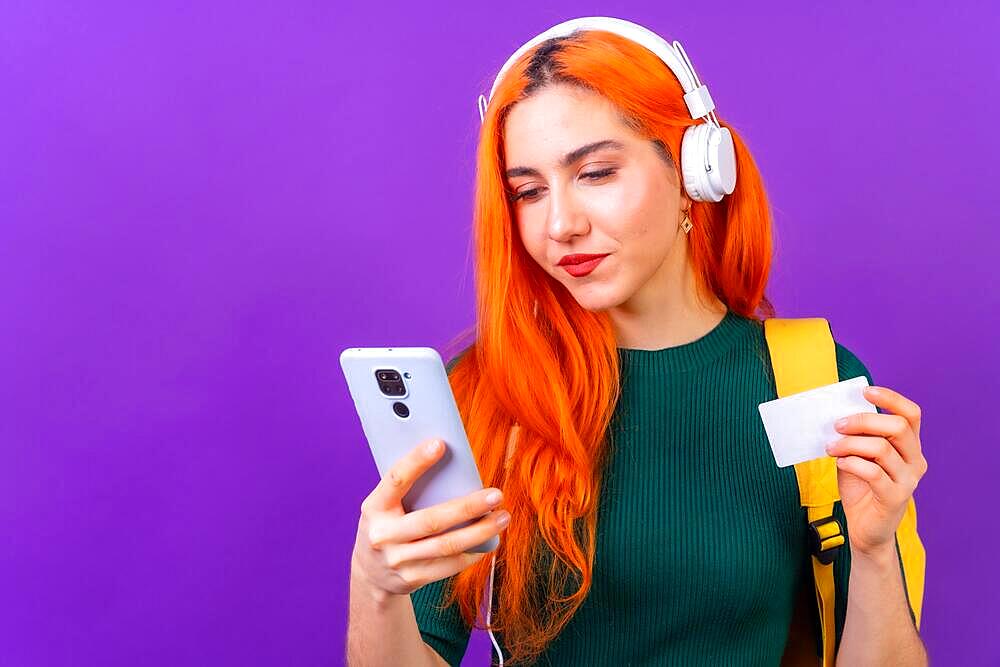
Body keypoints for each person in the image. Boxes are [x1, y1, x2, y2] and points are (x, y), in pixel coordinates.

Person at [347, 19, 928, 667]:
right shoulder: (488, 386)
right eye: (528, 191)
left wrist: (876, 554)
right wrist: (375, 587)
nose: (561, 224)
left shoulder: (812, 380)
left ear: (692, 170)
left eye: (595, 172)